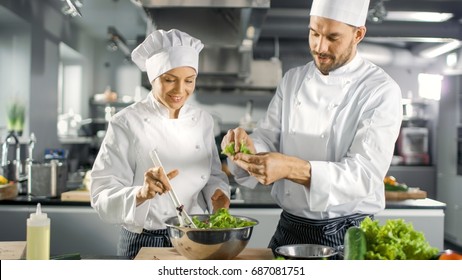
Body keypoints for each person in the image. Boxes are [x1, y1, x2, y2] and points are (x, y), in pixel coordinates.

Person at [222, 0, 402, 254]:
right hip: (290, 225)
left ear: (358, 34)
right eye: (314, 33)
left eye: (332, 37)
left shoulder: (380, 90)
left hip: (347, 233)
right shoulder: (294, 79)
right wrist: (249, 147)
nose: (320, 47)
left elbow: (363, 175)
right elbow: (267, 137)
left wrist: (289, 167)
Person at [90, 29, 230, 259]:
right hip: (145, 239)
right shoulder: (126, 122)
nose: (180, 90)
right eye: (169, 80)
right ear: (153, 78)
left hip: (194, 235)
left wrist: (219, 195)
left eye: (189, 81)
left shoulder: (203, 121)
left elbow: (212, 174)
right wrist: (142, 193)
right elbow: (101, 196)